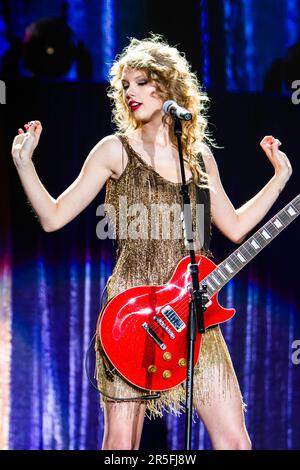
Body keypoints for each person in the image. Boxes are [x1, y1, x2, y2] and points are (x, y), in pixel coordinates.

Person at [11, 35, 292, 451]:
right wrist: (24, 164)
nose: (130, 93)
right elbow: (53, 217)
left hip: (194, 311)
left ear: (168, 87)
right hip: (132, 311)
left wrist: (280, 178)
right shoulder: (114, 149)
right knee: (122, 443)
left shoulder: (198, 158)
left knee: (235, 441)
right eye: (125, 86)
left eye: (141, 83)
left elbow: (233, 226)